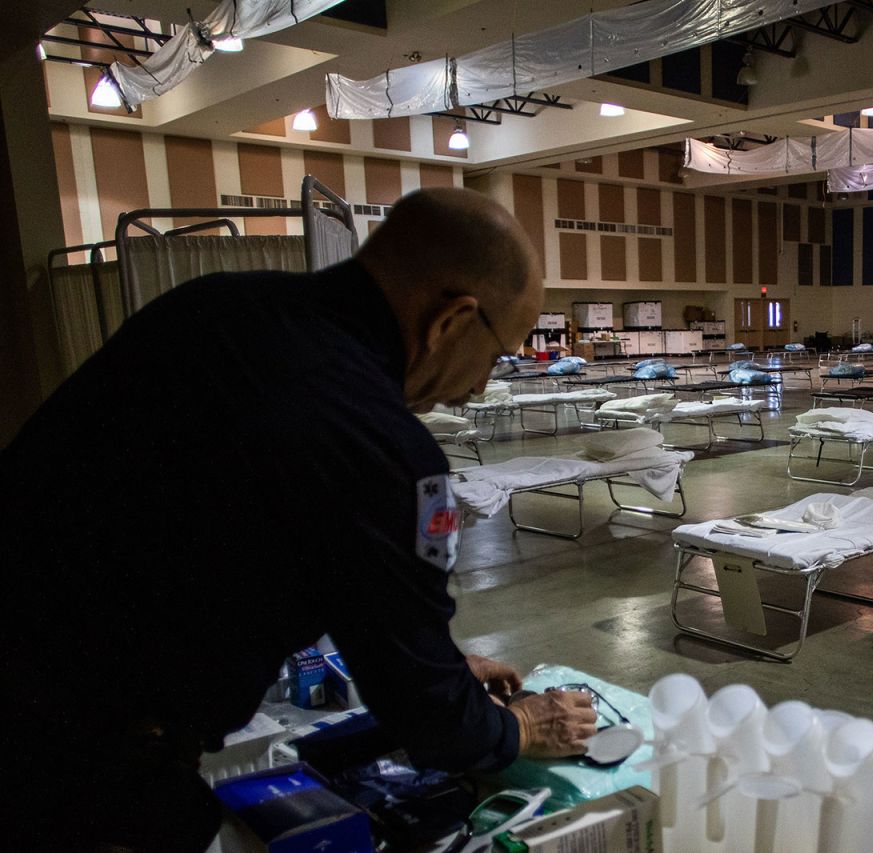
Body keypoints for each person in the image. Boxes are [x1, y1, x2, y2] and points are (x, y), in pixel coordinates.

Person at [1, 188, 597, 852]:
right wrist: (522, 725)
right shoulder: (381, 445)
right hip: (69, 762)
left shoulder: (211, 307)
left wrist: (438, 657)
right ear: (452, 320)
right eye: (496, 355)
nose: (483, 385)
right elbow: (429, 719)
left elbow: (224, 542)